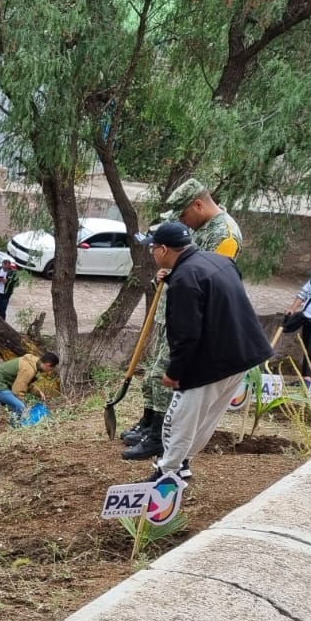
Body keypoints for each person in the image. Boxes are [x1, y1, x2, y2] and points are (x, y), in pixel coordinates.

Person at [142, 220, 273, 482]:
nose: (152, 253)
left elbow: (186, 334)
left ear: (164, 249)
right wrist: (173, 278)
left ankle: (166, 473)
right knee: (207, 417)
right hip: (243, 354)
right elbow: (211, 294)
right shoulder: (218, 261)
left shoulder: (184, 280)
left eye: (153, 248)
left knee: (180, 418)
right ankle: (183, 463)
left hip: (211, 362)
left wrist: (174, 371)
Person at [123, 178, 243, 460]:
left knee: (163, 373)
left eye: (183, 214)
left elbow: (210, 279)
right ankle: (149, 424)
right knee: (153, 372)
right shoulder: (201, 227)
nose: (182, 221)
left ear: (198, 204)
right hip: (171, 310)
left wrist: (174, 275)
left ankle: (159, 437)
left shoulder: (225, 234)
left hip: (190, 318)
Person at [0, 352, 59, 438]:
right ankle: (15, 431)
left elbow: (25, 383)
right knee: (19, 406)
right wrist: (20, 405)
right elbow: (18, 390)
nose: (49, 371)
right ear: (48, 364)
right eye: (51, 369)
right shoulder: (29, 369)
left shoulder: (33, 362)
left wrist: (38, 392)